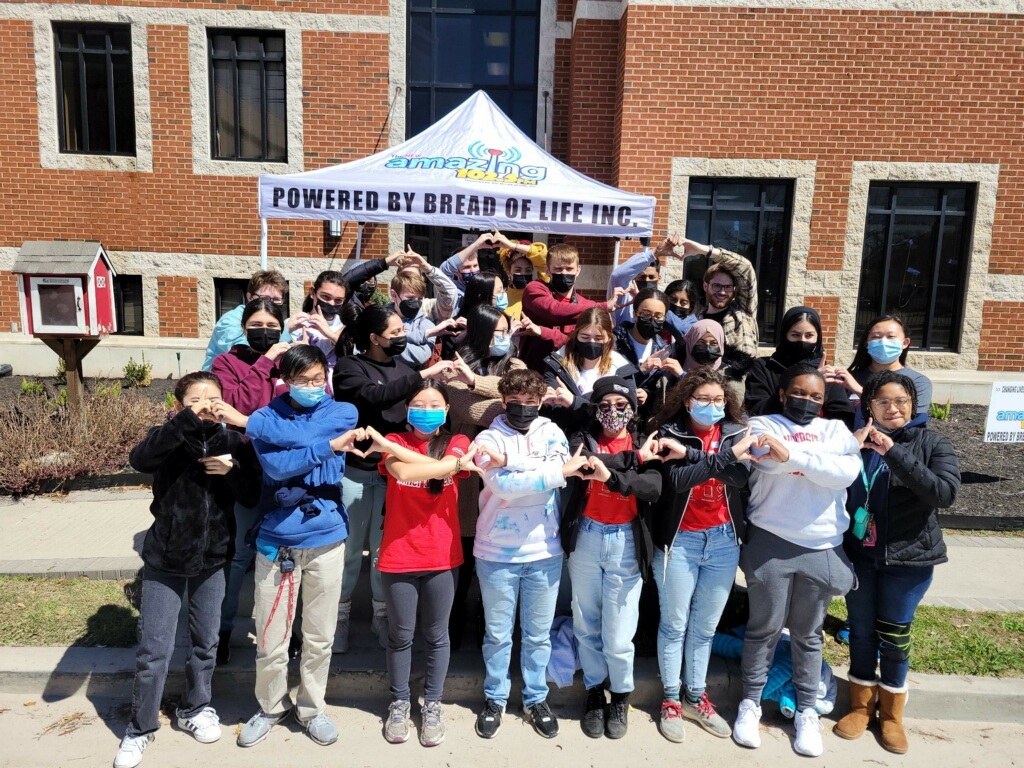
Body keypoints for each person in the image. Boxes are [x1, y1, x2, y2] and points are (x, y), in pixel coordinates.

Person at [115, 371, 261, 768]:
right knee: (154, 650)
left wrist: (230, 473)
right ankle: (140, 727)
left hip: (213, 558)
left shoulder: (234, 441)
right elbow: (140, 460)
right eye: (196, 398)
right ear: (179, 405)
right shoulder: (166, 436)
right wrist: (185, 420)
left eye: (213, 397)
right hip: (166, 555)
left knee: (205, 642)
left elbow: (252, 494)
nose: (207, 403)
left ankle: (194, 708)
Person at [220, 345, 362, 749]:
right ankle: (270, 706)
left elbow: (298, 446)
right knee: (271, 636)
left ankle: (312, 708)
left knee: (319, 636)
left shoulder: (342, 412)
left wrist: (247, 423)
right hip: (277, 540)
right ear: (285, 379)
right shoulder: (267, 415)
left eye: (319, 379)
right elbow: (278, 468)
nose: (313, 387)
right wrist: (328, 448)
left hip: (327, 537)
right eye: (303, 381)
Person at [732, 364, 861, 758]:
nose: (808, 401)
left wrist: (793, 455)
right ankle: (749, 704)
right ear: (785, 394)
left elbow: (846, 473)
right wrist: (811, 462)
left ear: (825, 401)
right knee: (764, 629)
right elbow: (767, 461)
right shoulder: (760, 423)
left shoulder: (836, 430)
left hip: (821, 546)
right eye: (800, 394)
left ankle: (807, 710)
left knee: (808, 635)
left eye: (816, 396)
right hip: (771, 541)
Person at [834, 371, 959, 754]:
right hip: (860, 556)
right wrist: (848, 451)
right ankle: (859, 705)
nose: (893, 408)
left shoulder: (932, 443)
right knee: (860, 631)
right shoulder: (851, 442)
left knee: (894, 636)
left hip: (910, 561)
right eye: (884, 401)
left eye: (901, 401)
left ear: (913, 406)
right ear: (867, 406)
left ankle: (891, 715)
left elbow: (944, 493)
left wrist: (894, 452)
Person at [332, 305, 461, 652]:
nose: (402, 337)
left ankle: (380, 614)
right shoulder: (350, 367)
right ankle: (340, 618)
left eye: (404, 330)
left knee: (380, 551)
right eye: (395, 333)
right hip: (356, 474)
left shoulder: (405, 368)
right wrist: (423, 373)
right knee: (346, 552)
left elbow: (418, 406)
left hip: (393, 475)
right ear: (374, 338)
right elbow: (373, 397)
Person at [471, 369, 588, 740]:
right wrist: (540, 470)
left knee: (537, 635)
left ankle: (536, 698)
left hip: (545, 550)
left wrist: (508, 461)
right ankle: (495, 697)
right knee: (498, 634)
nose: (523, 409)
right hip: (495, 552)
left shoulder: (552, 431)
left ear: (541, 403)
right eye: (515, 403)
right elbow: (504, 488)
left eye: (531, 404)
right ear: (503, 402)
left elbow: (565, 470)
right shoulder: (487, 437)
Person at [642, 368, 757, 745]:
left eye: (718, 400)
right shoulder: (667, 433)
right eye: (703, 399)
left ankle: (696, 695)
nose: (712, 406)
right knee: (674, 624)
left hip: (723, 541)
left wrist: (699, 455)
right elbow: (677, 481)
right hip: (681, 542)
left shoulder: (737, 433)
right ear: (687, 400)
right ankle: (672, 699)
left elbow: (740, 479)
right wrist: (718, 458)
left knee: (705, 627)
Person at [365, 382, 478, 747]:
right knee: (400, 635)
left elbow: (443, 464)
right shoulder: (396, 438)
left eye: (434, 404)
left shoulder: (457, 441)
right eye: (418, 403)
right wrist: (451, 466)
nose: (426, 410)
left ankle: (432, 703)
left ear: (446, 411)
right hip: (399, 553)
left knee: (436, 635)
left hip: (443, 555)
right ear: (407, 409)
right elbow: (404, 474)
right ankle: (398, 702)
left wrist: (449, 461)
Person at [560, 377, 661, 739]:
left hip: (625, 542)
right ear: (595, 408)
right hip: (586, 536)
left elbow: (653, 487)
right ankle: (593, 692)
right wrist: (631, 461)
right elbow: (584, 464)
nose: (614, 412)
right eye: (606, 405)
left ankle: (620, 695)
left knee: (618, 635)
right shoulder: (582, 439)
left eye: (622, 405)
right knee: (586, 624)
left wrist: (619, 476)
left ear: (633, 408)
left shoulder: (645, 441)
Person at [210, 297, 292, 662]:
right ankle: (223, 631)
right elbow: (236, 404)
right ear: (243, 327)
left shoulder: (289, 362)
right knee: (241, 554)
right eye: (257, 325)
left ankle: (283, 632)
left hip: (284, 467)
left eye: (272, 326)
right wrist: (265, 361)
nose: (265, 331)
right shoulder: (225, 362)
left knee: (285, 553)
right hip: (245, 467)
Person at [445, 304, 526, 645]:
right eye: (495, 333)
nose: (502, 338)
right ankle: (453, 619)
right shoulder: (454, 366)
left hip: (504, 470)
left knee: (497, 552)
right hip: (467, 473)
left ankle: (488, 620)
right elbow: (468, 409)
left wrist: (477, 381)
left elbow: (528, 393)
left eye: (506, 331)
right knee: (463, 550)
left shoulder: (517, 364)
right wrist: (511, 401)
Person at [652, 235, 758, 374]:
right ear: (705, 286)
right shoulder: (696, 321)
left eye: (727, 287)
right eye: (717, 286)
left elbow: (745, 268)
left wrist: (704, 250)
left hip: (738, 384)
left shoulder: (743, 311)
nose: (722, 292)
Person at [519, 243, 627, 370]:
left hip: (569, 373)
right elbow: (554, 311)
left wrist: (543, 332)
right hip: (533, 371)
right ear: (547, 270)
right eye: (558, 269)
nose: (564, 273)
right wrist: (603, 307)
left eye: (569, 269)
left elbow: (577, 343)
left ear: (578, 270)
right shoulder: (535, 289)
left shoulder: (585, 305)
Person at [745, 306, 855, 428]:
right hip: (772, 436)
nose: (802, 341)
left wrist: (818, 382)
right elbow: (756, 410)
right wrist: (806, 381)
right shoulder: (764, 367)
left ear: (818, 338)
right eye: (795, 335)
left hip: (816, 441)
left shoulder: (826, 374)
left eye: (809, 335)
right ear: (784, 335)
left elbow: (843, 419)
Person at [543, 306, 638, 431]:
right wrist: (597, 405)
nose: (591, 342)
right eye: (585, 337)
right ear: (576, 335)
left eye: (598, 338)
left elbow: (626, 415)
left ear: (609, 338)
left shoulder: (621, 369)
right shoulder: (556, 364)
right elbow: (554, 410)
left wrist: (573, 402)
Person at [828, 315, 933, 420]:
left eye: (891, 337)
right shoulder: (848, 379)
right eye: (875, 337)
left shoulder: (918, 382)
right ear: (866, 343)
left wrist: (860, 391)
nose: (883, 342)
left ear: (905, 343)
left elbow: (911, 422)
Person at [612, 288, 683, 419]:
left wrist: (647, 394)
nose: (652, 320)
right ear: (635, 314)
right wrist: (640, 371)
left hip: (643, 422)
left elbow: (657, 387)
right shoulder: (615, 342)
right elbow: (606, 379)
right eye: (645, 314)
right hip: (615, 416)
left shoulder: (662, 348)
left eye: (658, 316)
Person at [201, 270, 292, 370]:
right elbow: (242, 350)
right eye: (264, 298)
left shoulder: (277, 321)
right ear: (249, 297)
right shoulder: (230, 320)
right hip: (223, 378)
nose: (269, 304)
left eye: (276, 300)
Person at [386, 252, 459, 368]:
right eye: (410, 298)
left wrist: (426, 266)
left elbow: (450, 293)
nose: (415, 302)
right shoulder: (381, 315)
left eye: (419, 298)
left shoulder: (429, 312)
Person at [288, 271, 348, 389]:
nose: (331, 303)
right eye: (325, 297)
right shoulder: (294, 324)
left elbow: (357, 357)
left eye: (338, 300)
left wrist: (331, 335)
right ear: (312, 293)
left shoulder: (347, 326)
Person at [497, 236, 548, 320]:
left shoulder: (540, 290)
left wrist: (512, 246)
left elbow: (542, 256)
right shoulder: (501, 299)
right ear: (509, 273)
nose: (523, 273)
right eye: (518, 270)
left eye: (528, 270)